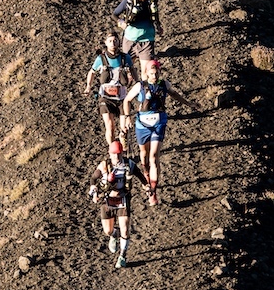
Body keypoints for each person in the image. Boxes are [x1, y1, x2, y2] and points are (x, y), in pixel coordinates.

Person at [120, 59, 200, 206]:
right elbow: (127, 101)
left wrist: (189, 104)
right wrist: (127, 117)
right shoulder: (140, 86)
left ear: (160, 72)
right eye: (151, 73)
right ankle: (146, 175)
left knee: (154, 156)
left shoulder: (164, 84)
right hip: (142, 125)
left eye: (156, 73)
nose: (154, 76)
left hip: (159, 122)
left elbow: (175, 95)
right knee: (144, 156)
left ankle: (153, 191)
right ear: (146, 73)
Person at [87, 139, 149, 268]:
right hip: (107, 201)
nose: (116, 156)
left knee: (125, 230)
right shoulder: (104, 165)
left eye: (119, 154)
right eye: (114, 154)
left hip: (123, 200)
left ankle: (122, 256)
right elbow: (93, 179)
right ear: (110, 154)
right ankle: (114, 235)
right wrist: (94, 191)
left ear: (122, 153)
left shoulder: (129, 164)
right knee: (107, 231)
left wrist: (146, 186)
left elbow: (140, 175)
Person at [85, 34, 134, 146]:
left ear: (119, 42)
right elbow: (92, 72)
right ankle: (113, 150)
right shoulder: (101, 59)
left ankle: (123, 143)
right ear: (106, 43)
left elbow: (132, 69)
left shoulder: (125, 58)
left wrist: (137, 82)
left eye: (115, 40)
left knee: (124, 128)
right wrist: (88, 86)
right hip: (106, 98)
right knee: (110, 126)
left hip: (122, 98)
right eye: (110, 41)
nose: (113, 43)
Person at [111, 0, 163, 78]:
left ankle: (144, 88)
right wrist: (121, 22)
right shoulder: (129, 1)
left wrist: (158, 26)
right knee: (125, 71)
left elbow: (155, 15)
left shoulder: (152, 1)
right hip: (130, 40)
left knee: (146, 72)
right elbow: (114, 15)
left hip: (147, 40)